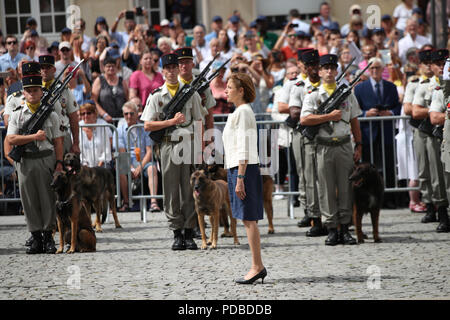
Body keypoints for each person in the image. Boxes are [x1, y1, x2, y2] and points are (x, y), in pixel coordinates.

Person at [141, 53, 207, 251]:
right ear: (162, 72)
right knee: (170, 190)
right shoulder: (156, 95)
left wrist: (201, 149)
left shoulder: (191, 93)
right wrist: (170, 122)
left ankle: (189, 232)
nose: (171, 71)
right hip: (168, 145)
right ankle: (176, 232)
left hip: (187, 144)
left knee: (189, 189)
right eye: (167, 68)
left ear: (179, 69)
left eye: (173, 67)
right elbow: (148, 125)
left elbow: (199, 121)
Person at [300, 54, 362, 246]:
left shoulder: (347, 93)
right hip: (324, 146)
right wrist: (328, 116)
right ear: (319, 71)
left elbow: (354, 120)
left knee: (345, 187)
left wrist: (358, 144)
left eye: (332, 68)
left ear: (336, 71)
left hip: (343, 144)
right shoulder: (312, 93)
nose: (329, 71)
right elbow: (304, 120)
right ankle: (332, 228)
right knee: (325, 188)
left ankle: (345, 227)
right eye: (325, 68)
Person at [6, 69, 64, 254]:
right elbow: (11, 139)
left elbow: (58, 141)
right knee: (29, 200)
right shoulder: (17, 114)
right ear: (23, 92)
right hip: (25, 161)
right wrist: (33, 137)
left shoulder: (52, 115)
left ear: (41, 92)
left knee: (47, 199)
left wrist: (60, 163)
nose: (32, 93)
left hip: (45, 159)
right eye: (28, 90)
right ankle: (36, 237)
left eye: (35, 90)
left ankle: (48, 236)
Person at [222, 72, 266, 284]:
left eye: (229, 87)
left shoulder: (244, 112)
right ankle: (257, 265)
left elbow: (245, 146)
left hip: (243, 170)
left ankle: (257, 266)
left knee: (249, 219)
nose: (226, 90)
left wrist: (240, 176)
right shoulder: (239, 112)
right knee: (247, 219)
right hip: (238, 169)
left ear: (241, 91)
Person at [354, 57, 402, 209]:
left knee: (388, 166)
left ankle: (388, 198)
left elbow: (397, 106)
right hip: (368, 133)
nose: (375, 71)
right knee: (368, 167)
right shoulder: (360, 88)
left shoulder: (391, 87)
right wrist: (365, 114)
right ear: (368, 70)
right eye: (372, 68)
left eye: (377, 68)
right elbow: (355, 111)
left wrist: (390, 112)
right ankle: (368, 198)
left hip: (386, 132)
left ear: (383, 70)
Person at [412, 49, 449, 224]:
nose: (442, 68)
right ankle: (438, 209)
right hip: (432, 133)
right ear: (432, 67)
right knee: (434, 174)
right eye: (438, 65)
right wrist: (438, 112)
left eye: (444, 64)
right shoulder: (426, 85)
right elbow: (415, 111)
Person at [117, 101, 159, 212]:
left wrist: (140, 167)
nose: (129, 116)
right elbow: (122, 152)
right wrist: (131, 167)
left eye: (131, 113)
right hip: (128, 161)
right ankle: (127, 202)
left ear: (137, 114)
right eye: (126, 114)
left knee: (152, 169)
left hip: (143, 160)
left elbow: (149, 151)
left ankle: (153, 202)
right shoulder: (120, 130)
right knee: (121, 169)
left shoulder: (144, 128)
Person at [40, 55, 80, 155]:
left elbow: (73, 117)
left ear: (53, 69)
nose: (45, 70)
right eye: (42, 67)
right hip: (43, 136)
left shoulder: (63, 88)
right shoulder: (35, 90)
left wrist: (76, 143)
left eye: (48, 67)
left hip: (62, 134)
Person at [429, 59, 450, 232]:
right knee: (442, 181)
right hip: (444, 139)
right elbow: (434, 117)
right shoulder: (440, 92)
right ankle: (443, 215)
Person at [92, 56, 129, 122]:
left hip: (121, 119)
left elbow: (127, 99)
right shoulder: (99, 80)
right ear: (104, 68)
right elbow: (94, 100)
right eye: (108, 66)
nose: (111, 68)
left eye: (113, 66)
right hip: (104, 120)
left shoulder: (122, 80)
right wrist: (104, 114)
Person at [78, 102, 112, 168]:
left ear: (94, 114)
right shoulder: (78, 126)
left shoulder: (103, 125)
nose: (85, 116)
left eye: (88, 113)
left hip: (102, 165)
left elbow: (107, 149)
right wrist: (85, 165)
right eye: (83, 114)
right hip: (84, 165)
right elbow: (78, 151)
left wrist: (98, 166)